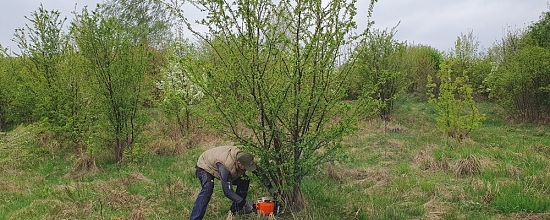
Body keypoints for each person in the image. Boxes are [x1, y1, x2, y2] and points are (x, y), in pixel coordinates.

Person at [190, 145, 276, 220]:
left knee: (244, 181)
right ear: (238, 163)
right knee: (207, 189)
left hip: (222, 163)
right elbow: (227, 191)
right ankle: (195, 218)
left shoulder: (246, 159)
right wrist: (244, 202)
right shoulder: (226, 166)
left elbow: (260, 174)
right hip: (205, 165)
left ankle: (234, 211)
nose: (246, 169)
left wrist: (272, 190)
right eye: (245, 167)